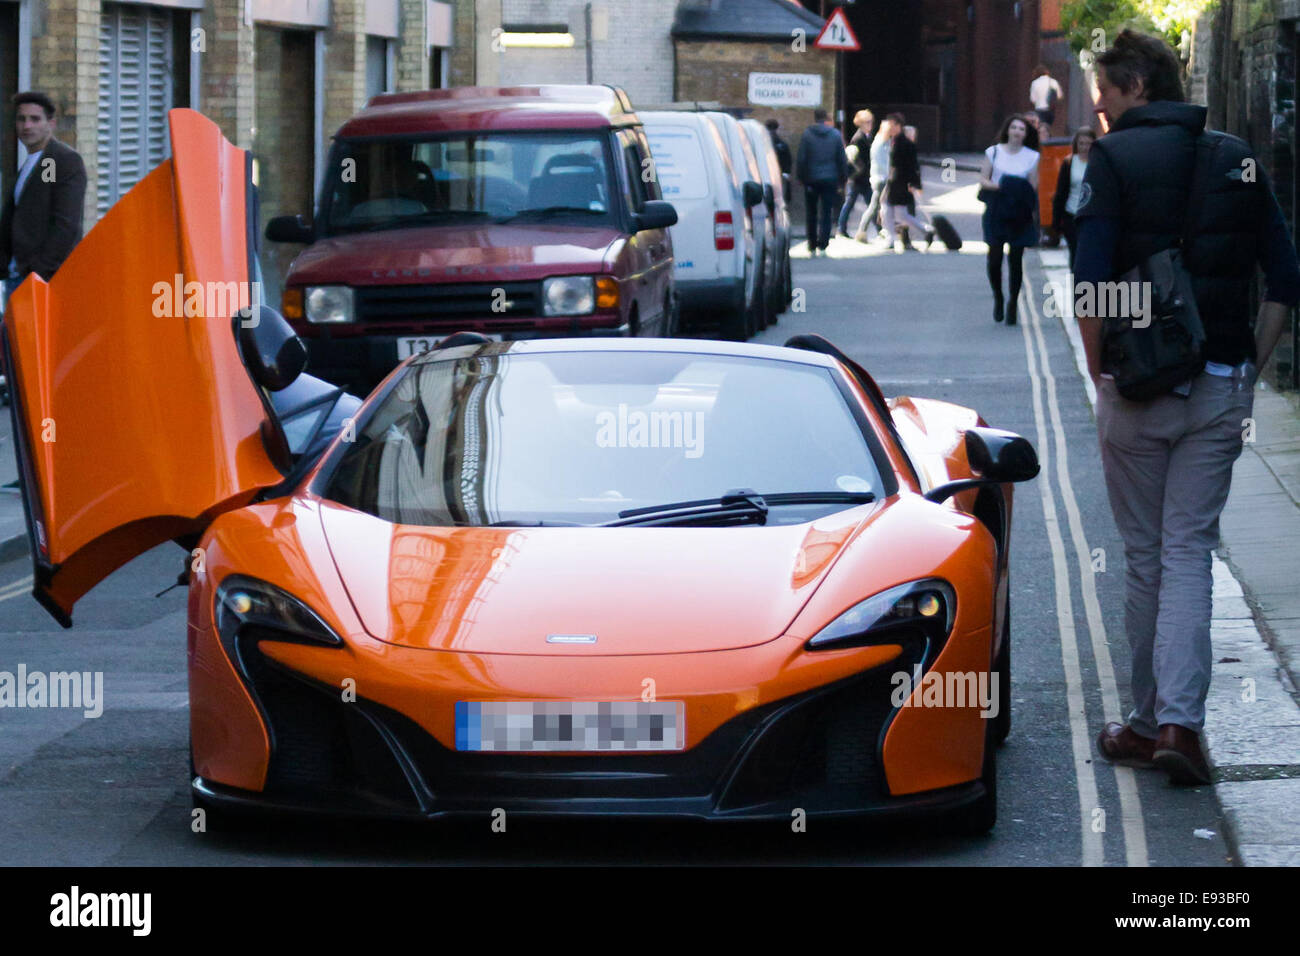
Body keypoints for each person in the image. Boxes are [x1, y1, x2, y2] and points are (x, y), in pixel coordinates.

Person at [1074, 30, 1300, 785]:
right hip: (1221, 386)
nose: (1099, 108)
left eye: (1105, 92)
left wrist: (1101, 371)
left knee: (1145, 557)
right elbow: (1285, 277)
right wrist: (1248, 366)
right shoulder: (1237, 156)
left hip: (1137, 391)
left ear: (1136, 83)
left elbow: (1092, 286)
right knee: (1189, 551)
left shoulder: (1109, 161)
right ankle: (1182, 724)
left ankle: (1145, 726)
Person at [0, 91, 86, 307]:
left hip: (40, 281)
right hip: (17, 277)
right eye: (21, 119)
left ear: (52, 123)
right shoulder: (37, 161)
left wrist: (37, 273)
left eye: (35, 119)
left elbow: (65, 225)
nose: (27, 126)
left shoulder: (60, 160)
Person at [978, 114, 1039, 324]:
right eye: (1014, 127)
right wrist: (1002, 186)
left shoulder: (1032, 156)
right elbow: (984, 179)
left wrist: (1019, 192)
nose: (1017, 132)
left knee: (1015, 260)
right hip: (997, 208)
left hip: (1019, 212)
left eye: (1022, 129)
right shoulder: (993, 152)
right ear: (1007, 130)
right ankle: (998, 297)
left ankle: (1013, 301)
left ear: (1026, 134)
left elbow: (1033, 187)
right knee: (994, 258)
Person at [796, 108, 847, 256]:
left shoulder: (807, 135)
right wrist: (843, 179)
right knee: (826, 212)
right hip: (830, 178)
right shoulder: (835, 135)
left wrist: (801, 177)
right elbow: (841, 159)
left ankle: (812, 244)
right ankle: (823, 244)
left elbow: (801, 159)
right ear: (825, 118)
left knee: (811, 212)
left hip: (811, 179)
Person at [881, 113, 934, 252]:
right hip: (897, 182)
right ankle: (892, 238)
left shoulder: (904, 143)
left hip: (900, 182)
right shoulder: (895, 141)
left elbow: (912, 166)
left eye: (892, 125)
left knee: (897, 212)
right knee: (892, 212)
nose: (890, 128)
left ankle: (924, 230)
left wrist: (914, 184)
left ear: (898, 126)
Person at [1051, 126, 1095, 270]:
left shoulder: (1098, 163)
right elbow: (1061, 192)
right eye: (1081, 143)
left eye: (1088, 144)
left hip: (1091, 215)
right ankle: (1077, 286)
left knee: (1090, 253)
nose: (1084, 147)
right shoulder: (1069, 162)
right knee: (1075, 252)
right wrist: (1056, 222)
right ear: (1076, 144)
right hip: (1072, 214)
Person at [854, 114, 894, 243]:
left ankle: (877, 230)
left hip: (877, 177)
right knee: (875, 206)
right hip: (880, 178)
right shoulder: (880, 143)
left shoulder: (877, 140)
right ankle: (864, 231)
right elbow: (882, 162)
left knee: (876, 206)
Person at [838, 109, 874, 238]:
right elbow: (855, 158)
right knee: (865, 204)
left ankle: (841, 228)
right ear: (862, 123)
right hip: (859, 178)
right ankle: (841, 229)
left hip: (862, 177)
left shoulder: (866, 136)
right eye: (868, 122)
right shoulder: (858, 138)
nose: (870, 124)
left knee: (863, 203)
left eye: (871, 122)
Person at [1029, 65, 1063, 134]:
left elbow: (1032, 99)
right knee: (1048, 129)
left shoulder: (1034, 83)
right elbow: (1060, 96)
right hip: (1051, 110)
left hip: (1039, 110)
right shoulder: (1053, 82)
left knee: (1040, 130)